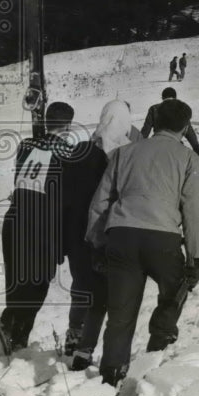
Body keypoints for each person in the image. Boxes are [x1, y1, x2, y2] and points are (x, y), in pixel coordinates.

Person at [86, 98, 199, 388]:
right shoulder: (189, 159)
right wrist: (195, 258)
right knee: (175, 288)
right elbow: (192, 211)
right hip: (162, 237)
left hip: (122, 235)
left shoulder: (125, 152)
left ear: (155, 120)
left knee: (121, 310)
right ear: (186, 127)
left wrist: (97, 243)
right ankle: (159, 341)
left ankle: (111, 373)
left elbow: (100, 202)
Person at [0, 102, 76, 357]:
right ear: (68, 126)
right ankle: (9, 325)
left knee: (16, 282)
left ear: (46, 122)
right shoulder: (68, 153)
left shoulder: (24, 145)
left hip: (13, 220)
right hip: (40, 225)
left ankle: (14, 338)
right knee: (37, 283)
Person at [65, 100, 135, 370]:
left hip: (77, 229)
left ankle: (75, 333)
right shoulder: (128, 153)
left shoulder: (80, 150)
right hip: (109, 231)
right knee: (108, 291)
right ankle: (103, 347)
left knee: (82, 283)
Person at [141, 88, 199, 154]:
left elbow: (145, 131)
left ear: (162, 97)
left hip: (157, 144)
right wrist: (197, 149)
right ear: (175, 97)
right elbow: (189, 132)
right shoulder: (181, 108)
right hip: (176, 147)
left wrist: (139, 146)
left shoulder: (153, 109)